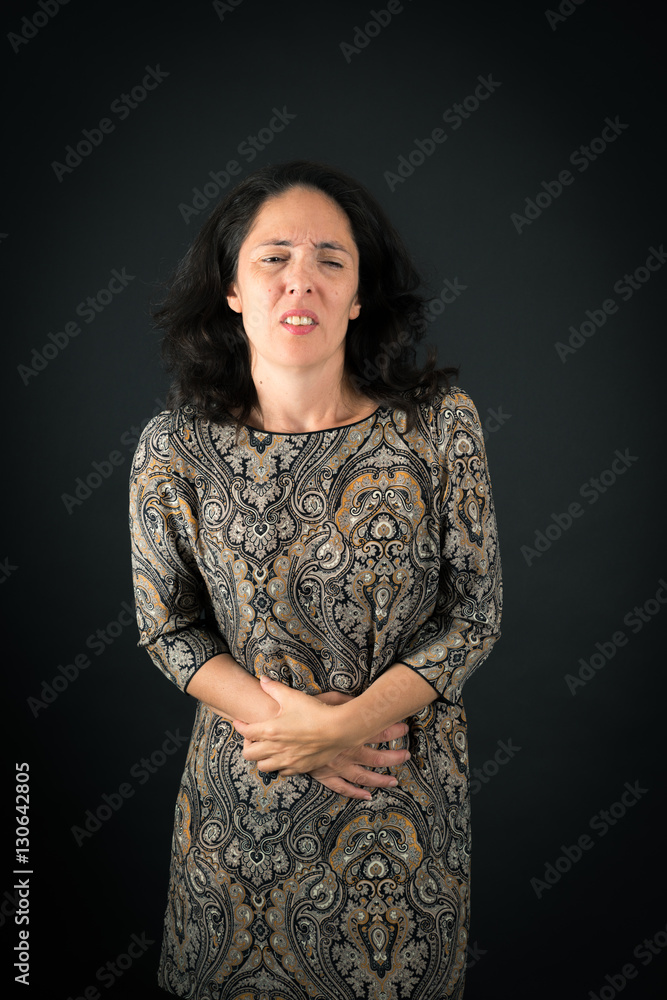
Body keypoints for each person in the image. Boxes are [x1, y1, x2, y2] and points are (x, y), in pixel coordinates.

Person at [129, 159, 503, 1000]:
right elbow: (167, 627)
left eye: (331, 259)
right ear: (231, 289)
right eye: (274, 257)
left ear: (359, 294)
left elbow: (473, 617)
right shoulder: (174, 448)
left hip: (399, 811)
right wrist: (290, 727)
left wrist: (345, 727)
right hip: (243, 808)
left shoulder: (439, 427)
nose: (302, 278)